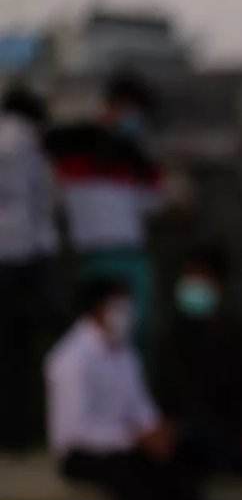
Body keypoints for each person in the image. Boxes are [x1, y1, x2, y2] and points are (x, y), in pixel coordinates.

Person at [46, 278, 210, 500]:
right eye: (119, 307)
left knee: (182, 482)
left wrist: (157, 432)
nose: (127, 314)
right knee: (138, 496)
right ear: (96, 311)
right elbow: (74, 430)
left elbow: (140, 406)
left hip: (128, 447)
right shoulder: (71, 359)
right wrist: (135, 438)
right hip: (85, 453)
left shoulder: (125, 352)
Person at [44, 72, 165, 350]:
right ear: (114, 106)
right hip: (95, 258)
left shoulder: (135, 155)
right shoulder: (70, 144)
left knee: (135, 341)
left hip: (131, 256)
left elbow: (158, 198)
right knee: (99, 344)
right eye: (133, 112)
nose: (136, 122)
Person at [152, 247, 242, 473]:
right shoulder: (173, 338)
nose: (192, 286)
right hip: (188, 436)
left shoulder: (236, 336)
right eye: (188, 278)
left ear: (219, 284)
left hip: (228, 434)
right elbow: (171, 396)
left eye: (200, 278)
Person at [0, 84, 62, 450]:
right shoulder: (22, 143)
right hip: (21, 260)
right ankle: (18, 432)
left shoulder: (19, 143)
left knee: (12, 352)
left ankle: (15, 433)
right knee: (19, 352)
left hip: (17, 257)